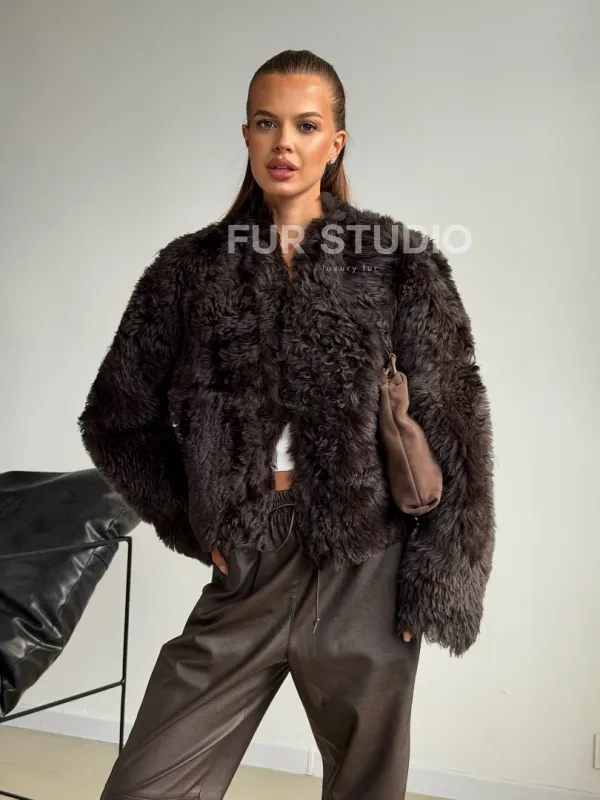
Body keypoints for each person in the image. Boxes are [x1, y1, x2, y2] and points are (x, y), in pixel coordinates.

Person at [78, 48, 495, 800]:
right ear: (246, 134)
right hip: (250, 560)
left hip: (367, 568)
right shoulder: (190, 269)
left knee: (366, 788)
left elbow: (457, 424)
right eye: (267, 123)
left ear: (336, 142)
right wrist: (197, 523)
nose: (284, 144)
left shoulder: (399, 260)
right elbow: (116, 417)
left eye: (306, 125)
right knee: (145, 786)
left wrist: (438, 581)